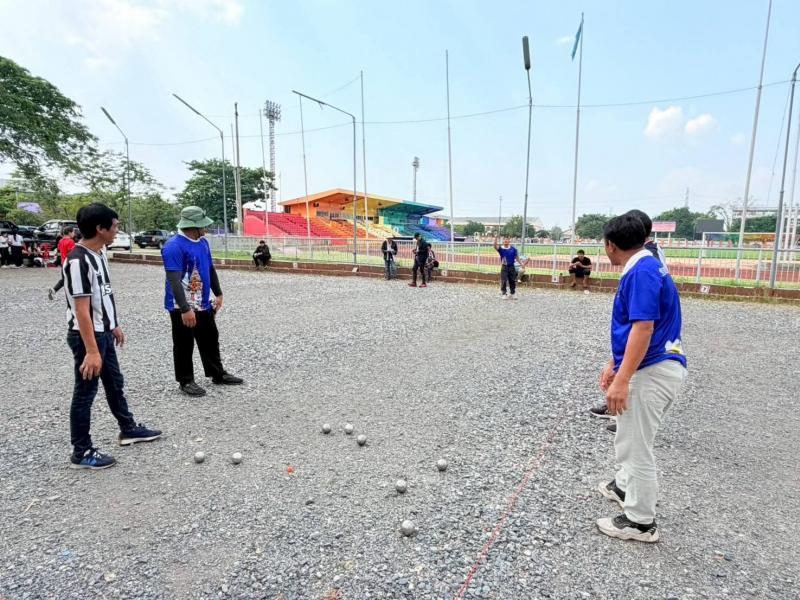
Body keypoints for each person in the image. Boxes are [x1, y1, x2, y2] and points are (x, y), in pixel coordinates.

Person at [595, 213, 687, 543]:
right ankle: (623, 487)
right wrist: (615, 362)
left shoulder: (641, 272)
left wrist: (622, 380)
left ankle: (640, 521)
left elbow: (644, 328)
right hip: (655, 364)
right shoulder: (646, 264)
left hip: (652, 371)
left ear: (610, 245)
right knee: (628, 437)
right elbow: (640, 325)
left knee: (637, 448)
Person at [63, 203, 162, 470]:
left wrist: (114, 324)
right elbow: (81, 310)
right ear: (100, 228)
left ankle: (127, 428)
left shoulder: (99, 253)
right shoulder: (78, 261)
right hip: (88, 337)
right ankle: (81, 451)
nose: (118, 230)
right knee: (85, 393)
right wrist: (91, 351)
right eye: (115, 226)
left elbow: (103, 295)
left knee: (114, 383)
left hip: (104, 332)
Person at [162, 205, 243, 397]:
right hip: (181, 305)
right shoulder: (173, 246)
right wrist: (185, 309)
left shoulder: (203, 243)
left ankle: (217, 373)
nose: (206, 229)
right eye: (203, 226)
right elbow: (173, 280)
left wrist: (218, 293)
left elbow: (210, 269)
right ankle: (186, 380)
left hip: (203, 302)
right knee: (184, 343)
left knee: (210, 338)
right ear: (193, 226)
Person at [48, 226, 77, 300]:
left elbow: (60, 251)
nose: (74, 233)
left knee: (65, 279)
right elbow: (73, 253)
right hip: (70, 263)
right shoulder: (71, 241)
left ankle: (54, 290)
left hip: (63, 262)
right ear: (70, 232)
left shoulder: (61, 241)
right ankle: (72, 295)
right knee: (71, 279)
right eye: (73, 232)